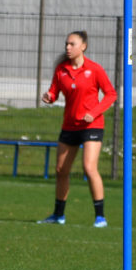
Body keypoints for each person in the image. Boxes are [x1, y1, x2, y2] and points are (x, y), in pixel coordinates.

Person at [38, 31, 116, 227]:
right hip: (70, 125)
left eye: (72, 44)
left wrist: (94, 112)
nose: (68, 47)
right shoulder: (61, 69)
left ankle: (100, 216)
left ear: (83, 46)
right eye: (66, 44)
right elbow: (54, 92)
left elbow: (111, 94)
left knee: (89, 167)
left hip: (92, 125)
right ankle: (58, 215)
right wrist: (49, 97)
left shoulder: (94, 69)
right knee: (61, 170)